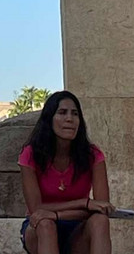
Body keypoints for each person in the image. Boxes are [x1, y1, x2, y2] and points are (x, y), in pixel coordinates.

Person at [18, 91, 113, 254]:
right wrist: (83, 203)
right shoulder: (30, 154)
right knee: (46, 224)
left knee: (100, 221)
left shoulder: (93, 155)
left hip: (77, 229)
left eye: (75, 114)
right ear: (49, 119)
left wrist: (56, 214)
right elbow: (37, 210)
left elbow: (101, 208)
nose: (69, 119)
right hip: (39, 229)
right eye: (62, 112)